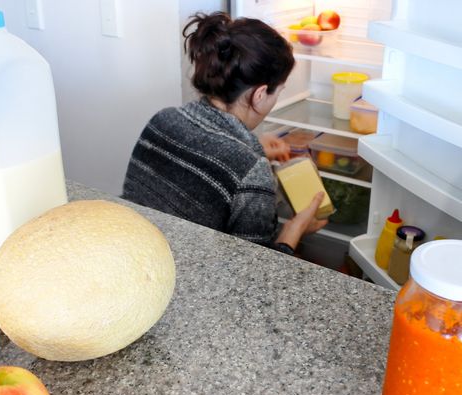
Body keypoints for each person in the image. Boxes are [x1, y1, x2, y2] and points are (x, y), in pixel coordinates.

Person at [121, 12, 327, 255]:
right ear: (259, 95)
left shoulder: (162, 119)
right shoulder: (252, 169)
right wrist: (293, 231)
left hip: (134, 259)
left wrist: (253, 147)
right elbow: (253, 273)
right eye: (278, 92)